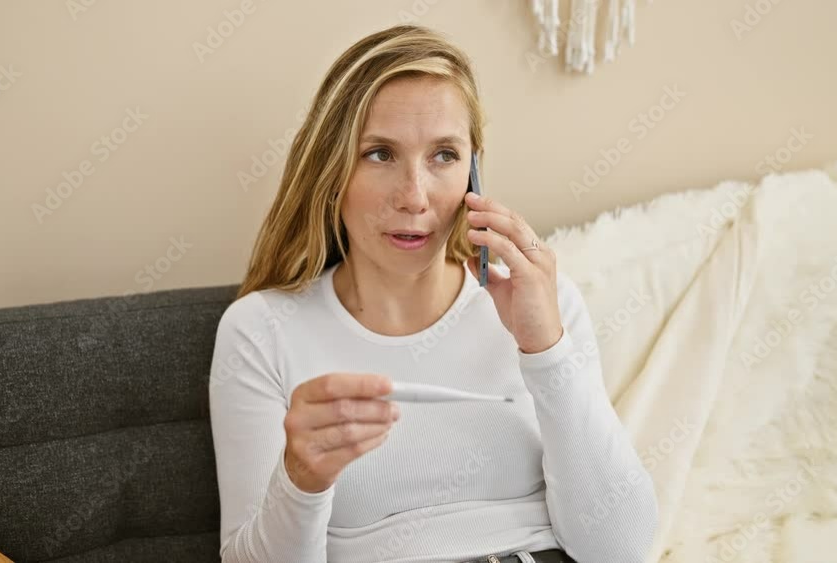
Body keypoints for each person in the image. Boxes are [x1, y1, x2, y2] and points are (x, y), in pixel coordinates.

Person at [208, 23, 658, 563]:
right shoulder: (261, 331)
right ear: (331, 170)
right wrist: (300, 481)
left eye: (443, 155)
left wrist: (547, 352)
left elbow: (621, 551)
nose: (414, 197)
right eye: (380, 154)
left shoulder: (540, 302)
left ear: (473, 173)